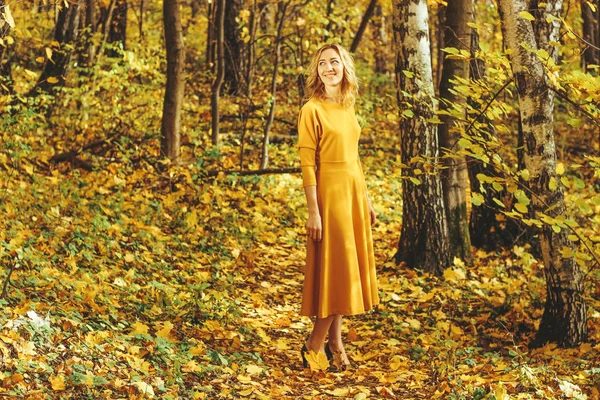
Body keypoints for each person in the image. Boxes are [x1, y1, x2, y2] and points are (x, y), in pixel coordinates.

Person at [297, 43, 379, 372]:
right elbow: (306, 165)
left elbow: (354, 158)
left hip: (352, 195)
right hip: (328, 198)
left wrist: (367, 200)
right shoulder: (311, 110)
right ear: (316, 72)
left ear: (345, 67)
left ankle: (335, 343)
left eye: (334, 62)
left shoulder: (347, 106)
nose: (328, 68)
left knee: (344, 272)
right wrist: (313, 211)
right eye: (322, 64)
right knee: (338, 273)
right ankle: (314, 344)